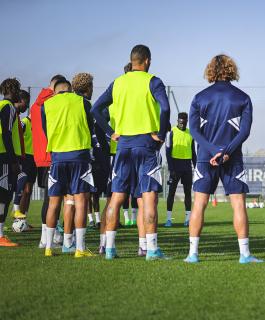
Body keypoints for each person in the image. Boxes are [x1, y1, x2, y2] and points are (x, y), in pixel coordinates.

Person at [92, 45, 171, 260]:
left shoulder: (118, 82)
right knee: (148, 198)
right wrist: (162, 133)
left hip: (123, 146)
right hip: (146, 145)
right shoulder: (153, 80)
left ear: (132, 60)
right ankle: (151, 250)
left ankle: (109, 249)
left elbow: (95, 110)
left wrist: (110, 133)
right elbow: (165, 108)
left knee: (116, 198)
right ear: (146, 61)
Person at [184, 54, 262, 264]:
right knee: (238, 206)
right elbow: (244, 131)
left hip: (204, 159)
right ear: (231, 70)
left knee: (199, 205)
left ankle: (193, 254)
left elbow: (194, 130)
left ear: (211, 70)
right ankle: (245, 255)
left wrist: (212, 151)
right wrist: (226, 151)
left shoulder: (199, 97)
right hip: (232, 158)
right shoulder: (243, 97)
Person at [41, 79, 96, 258]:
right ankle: (79, 249)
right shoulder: (82, 102)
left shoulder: (46, 106)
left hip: (57, 157)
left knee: (54, 203)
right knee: (80, 202)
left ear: (55, 91)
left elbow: (45, 130)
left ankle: (48, 248)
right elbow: (90, 126)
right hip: (80, 156)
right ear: (71, 89)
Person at [31, 74, 66, 248]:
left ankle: (47, 236)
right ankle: (47, 238)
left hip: (40, 157)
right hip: (53, 155)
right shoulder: (52, 102)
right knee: (53, 199)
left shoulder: (35, 105)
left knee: (48, 198)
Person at [72, 72, 107, 229]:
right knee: (83, 195)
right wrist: (97, 152)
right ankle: (79, 239)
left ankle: (63, 236)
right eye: (91, 86)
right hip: (84, 155)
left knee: (69, 198)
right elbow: (92, 132)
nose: (93, 90)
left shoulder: (67, 102)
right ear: (87, 87)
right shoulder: (85, 104)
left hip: (64, 152)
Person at [0, 78, 22, 246]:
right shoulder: (8, 107)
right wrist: (13, 159)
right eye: (18, 91)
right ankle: (0, 235)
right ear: (13, 90)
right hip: (4, 157)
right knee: (4, 195)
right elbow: (6, 134)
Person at [165, 112, 196, 227]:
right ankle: (168, 219)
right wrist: (171, 168)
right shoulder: (171, 132)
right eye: (180, 122)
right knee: (171, 193)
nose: (182, 124)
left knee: (188, 193)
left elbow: (193, 153)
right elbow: (168, 152)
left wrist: (196, 167)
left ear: (187, 121)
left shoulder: (191, 134)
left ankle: (188, 219)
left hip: (187, 166)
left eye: (184, 122)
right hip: (175, 165)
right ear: (177, 121)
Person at [12, 90, 37, 228]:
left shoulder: (40, 126)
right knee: (24, 190)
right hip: (25, 159)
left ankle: (23, 220)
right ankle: (17, 220)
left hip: (34, 159)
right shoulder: (24, 122)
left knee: (29, 191)